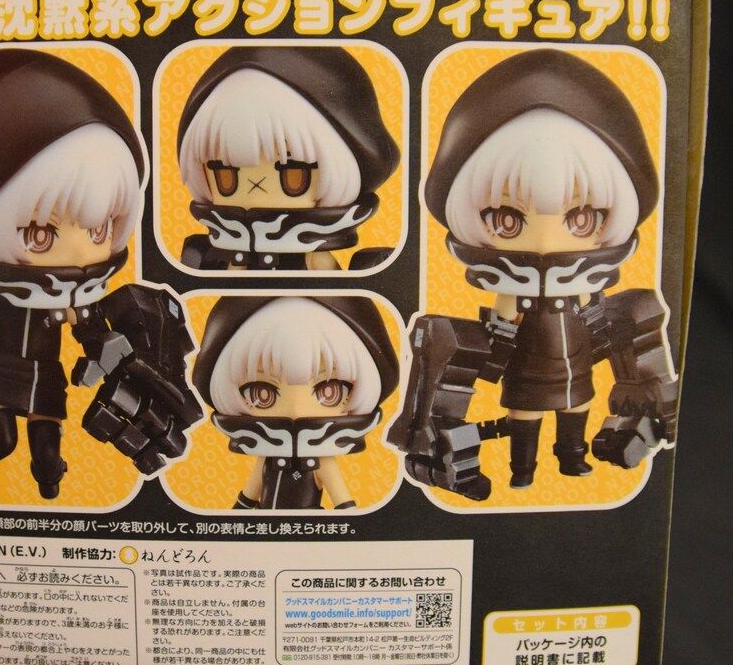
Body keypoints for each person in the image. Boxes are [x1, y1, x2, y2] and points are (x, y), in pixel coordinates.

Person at [0, 49, 201, 499]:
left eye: (98, 229)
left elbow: (96, 338)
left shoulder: (76, 303)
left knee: (48, 455)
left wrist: (121, 364)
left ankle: (48, 484)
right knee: (0, 440)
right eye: (39, 234)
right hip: (0, 372)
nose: (80, 249)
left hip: (47, 378)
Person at [388, 49, 678, 500]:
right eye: (506, 220)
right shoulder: (513, 290)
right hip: (526, 364)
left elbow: (603, 316)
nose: (546, 240)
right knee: (524, 413)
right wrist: (493, 349)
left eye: (581, 219)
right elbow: (499, 326)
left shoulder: (585, 290)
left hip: (576, 357)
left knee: (577, 404)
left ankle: (572, 456)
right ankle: (522, 468)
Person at [176, 45, 400, 271]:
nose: (256, 184)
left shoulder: (314, 256)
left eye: (292, 176)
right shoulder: (231, 252)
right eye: (227, 177)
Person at [193, 295, 399, 509]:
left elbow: (345, 506)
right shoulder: (267, 459)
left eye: (330, 392)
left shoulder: (321, 462)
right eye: (261, 394)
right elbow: (247, 497)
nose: (297, 411)